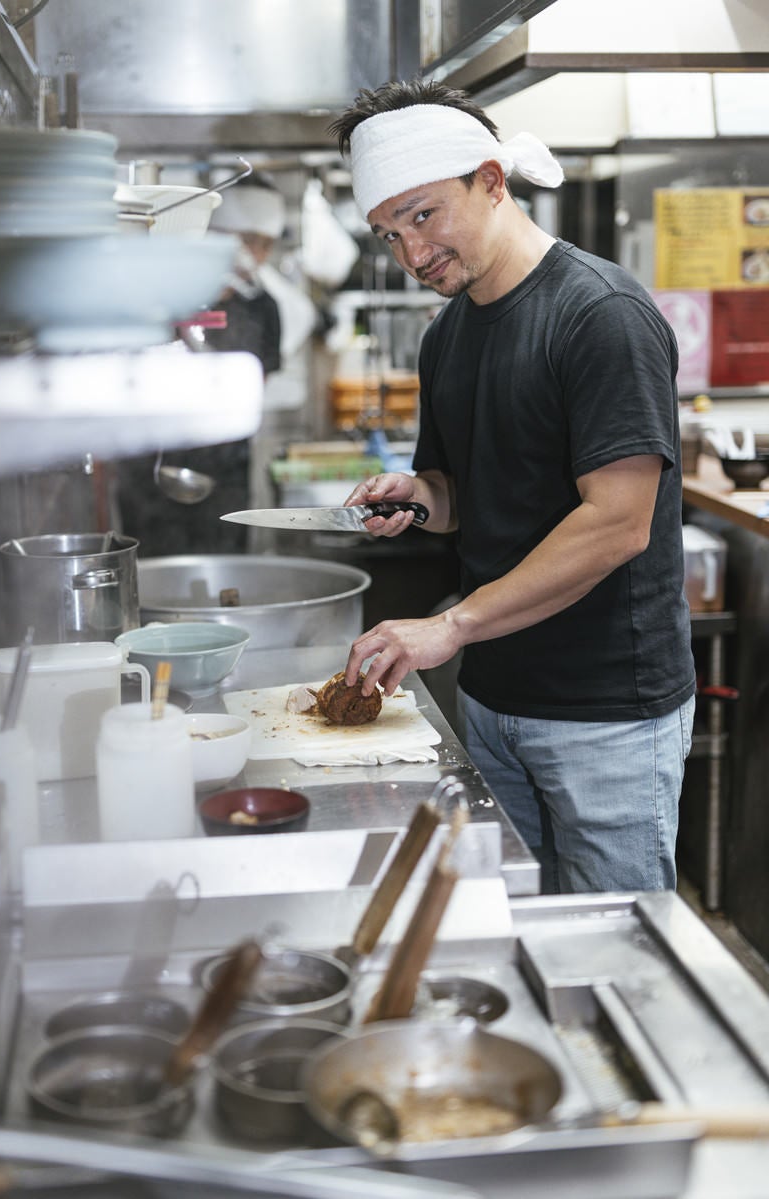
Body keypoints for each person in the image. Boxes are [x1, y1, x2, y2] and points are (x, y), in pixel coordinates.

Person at [329, 80, 696, 895]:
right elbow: (463, 493)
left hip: (606, 714)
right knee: (517, 933)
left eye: (423, 216)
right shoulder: (448, 335)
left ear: (492, 180)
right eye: (389, 234)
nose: (412, 256)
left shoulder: (600, 314)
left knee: (613, 952)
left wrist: (450, 625)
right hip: (493, 703)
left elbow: (617, 523)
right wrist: (418, 498)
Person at [114, 176, 284, 556]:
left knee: (226, 569)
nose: (253, 254)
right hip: (149, 470)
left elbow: (257, 384)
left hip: (226, 475)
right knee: (151, 570)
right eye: (245, 239)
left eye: (264, 245)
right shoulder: (161, 292)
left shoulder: (261, 306)